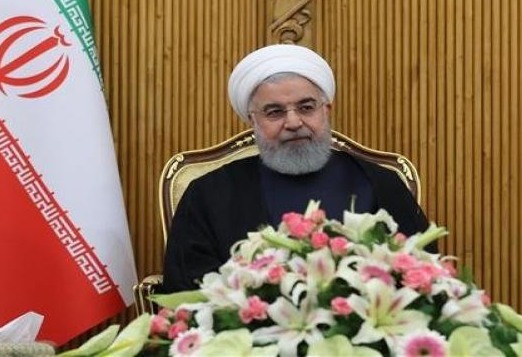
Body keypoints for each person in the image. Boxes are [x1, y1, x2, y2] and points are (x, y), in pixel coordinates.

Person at [162, 44, 431, 292]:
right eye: (274, 112)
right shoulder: (210, 194)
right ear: (253, 121)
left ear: (326, 110)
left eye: (306, 107)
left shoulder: (379, 183)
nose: (293, 122)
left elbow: (420, 272)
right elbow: (188, 289)